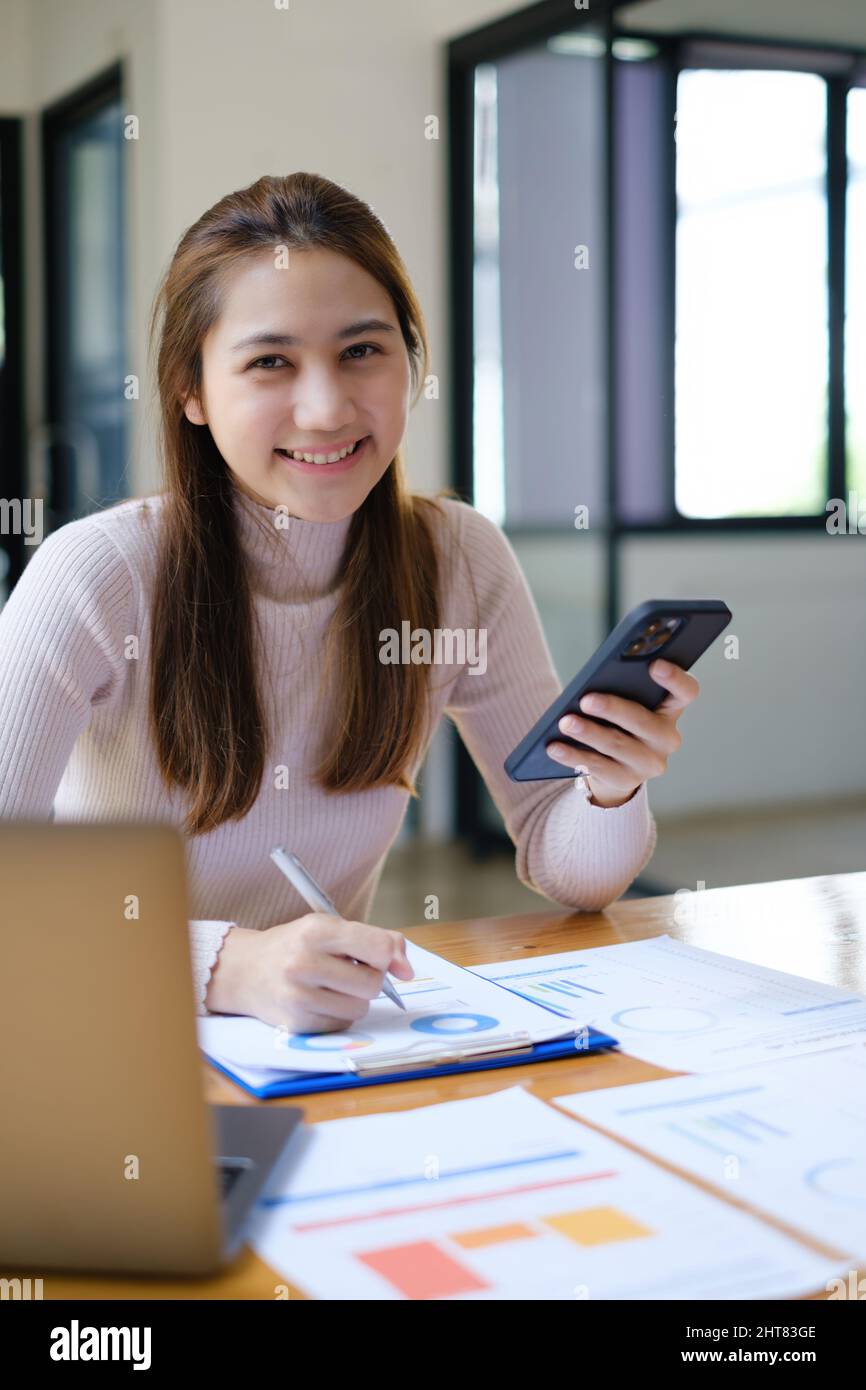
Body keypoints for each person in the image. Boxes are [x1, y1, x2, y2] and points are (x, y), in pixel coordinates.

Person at [0, 172, 698, 1033]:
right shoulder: (96, 574)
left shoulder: (456, 559)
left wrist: (608, 793)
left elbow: (572, 874)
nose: (327, 408)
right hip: (102, 1029)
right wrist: (224, 965)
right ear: (190, 391)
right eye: (270, 362)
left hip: (328, 1050)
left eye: (363, 350)